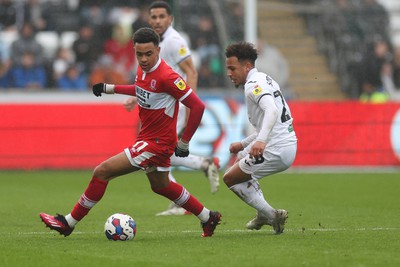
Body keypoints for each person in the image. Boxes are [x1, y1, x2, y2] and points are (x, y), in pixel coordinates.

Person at [39, 27, 221, 238]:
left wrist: (185, 142)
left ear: (158, 50)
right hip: (148, 137)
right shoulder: (143, 69)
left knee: (102, 171)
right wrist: (110, 88)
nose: (143, 59)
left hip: (157, 143)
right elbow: (140, 88)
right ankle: (209, 217)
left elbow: (197, 106)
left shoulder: (168, 76)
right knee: (161, 186)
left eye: (148, 54)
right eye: (139, 54)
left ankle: (68, 223)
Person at [123, 1, 220, 216]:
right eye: (154, 17)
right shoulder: (154, 41)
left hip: (172, 106)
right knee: (158, 150)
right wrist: (137, 95)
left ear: (170, 19)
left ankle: (182, 199)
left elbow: (191, 72)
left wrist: (189, 105)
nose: (157, 21)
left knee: (155, 149)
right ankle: (203, 164)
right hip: (159, 103)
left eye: (161, 17)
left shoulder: (175, 41)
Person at [223, 41, 297, 234]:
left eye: (233, 68)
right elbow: (268, 120)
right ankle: (262, 213)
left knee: (230, 178)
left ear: (247, 66)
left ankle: (272, 216)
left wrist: (261, 141)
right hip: (286, 143)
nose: (229, 73)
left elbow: (271, 110)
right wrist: (243, 144)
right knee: (240, 160)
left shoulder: (253, 85)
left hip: (276, 147)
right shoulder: (266, 79)